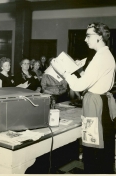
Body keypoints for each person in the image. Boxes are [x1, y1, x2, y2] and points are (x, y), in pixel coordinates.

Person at [51, 22, 116, 174]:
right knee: (100, 148)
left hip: (96, 106)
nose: (85, 39)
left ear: (99, 36)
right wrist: (80, 70)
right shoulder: (104, 55)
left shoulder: (100, 58)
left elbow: (80, 86)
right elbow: (93, 81)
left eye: (88, 35)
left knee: (94, 149)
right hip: (101, 104)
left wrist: (63, 72)